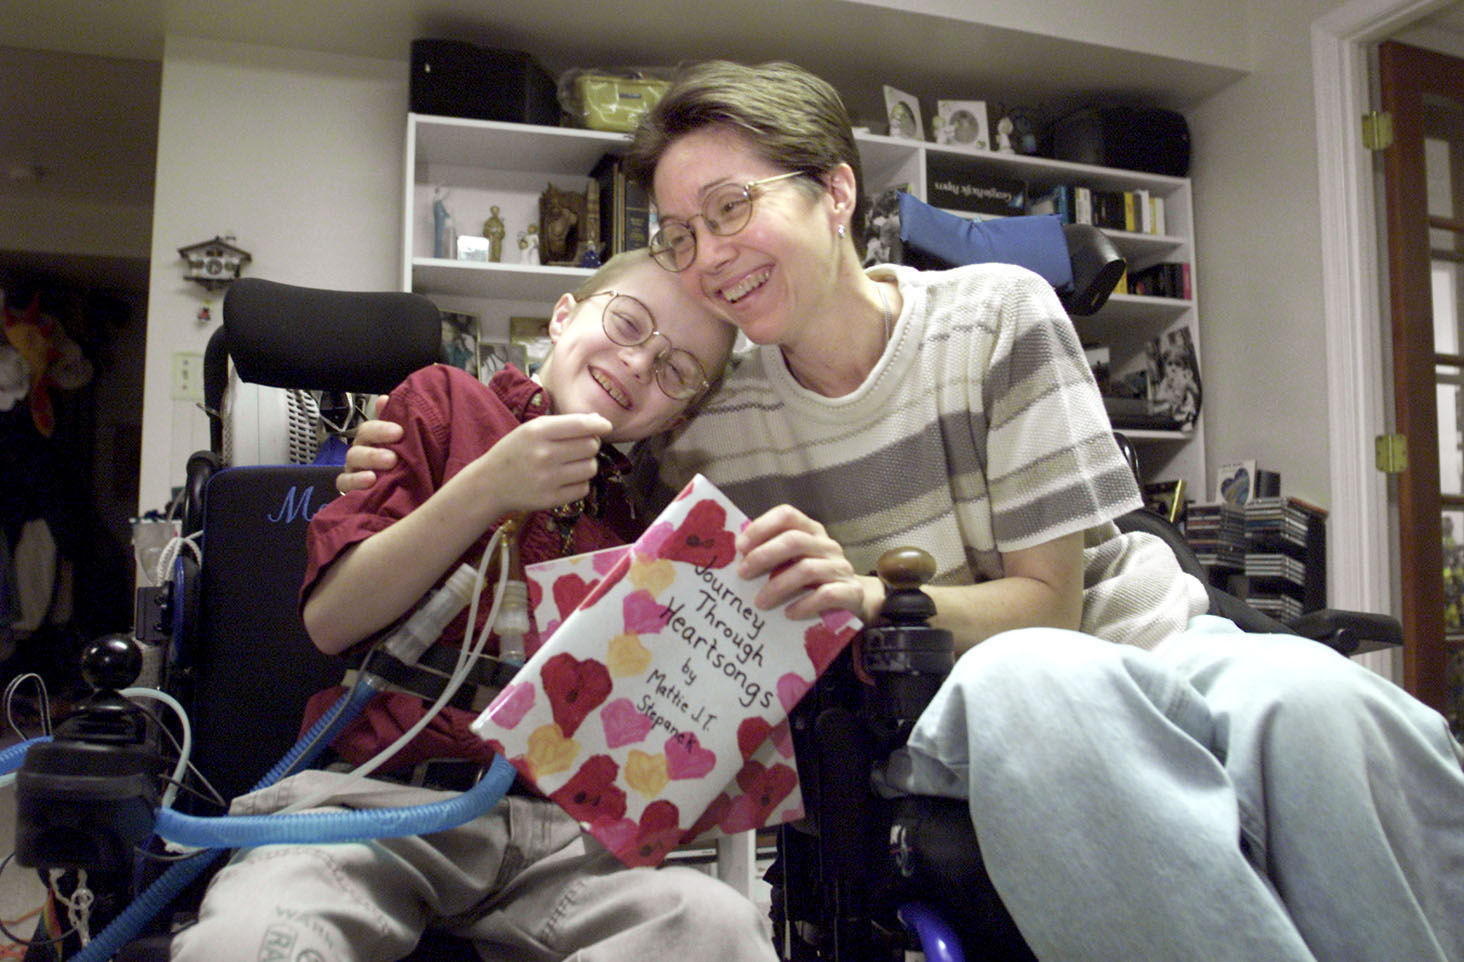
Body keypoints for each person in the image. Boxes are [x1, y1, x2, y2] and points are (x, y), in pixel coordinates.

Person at [344, 61, 1464, 962]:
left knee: (1326, 703)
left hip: (1145, 642)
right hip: (961, 703)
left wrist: (872, 588)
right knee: (1032, 686)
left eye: (731, 208)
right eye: (680, 234)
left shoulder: (997, 314)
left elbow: (1054, 601)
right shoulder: (703, 406)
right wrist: (416, 438)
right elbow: (589, 402)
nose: (707, 258)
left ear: (835, 191)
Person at [170, 249, 774, 962]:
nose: (641, 364)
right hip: (377, 809)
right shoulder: (442, 404)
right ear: (563, 314)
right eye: (629, 323)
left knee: (718, 927)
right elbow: (332, 621)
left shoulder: (646, 527)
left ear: (683, 409)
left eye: (676, 370)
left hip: (558, 843)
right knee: (250, 939)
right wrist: (488, 487)